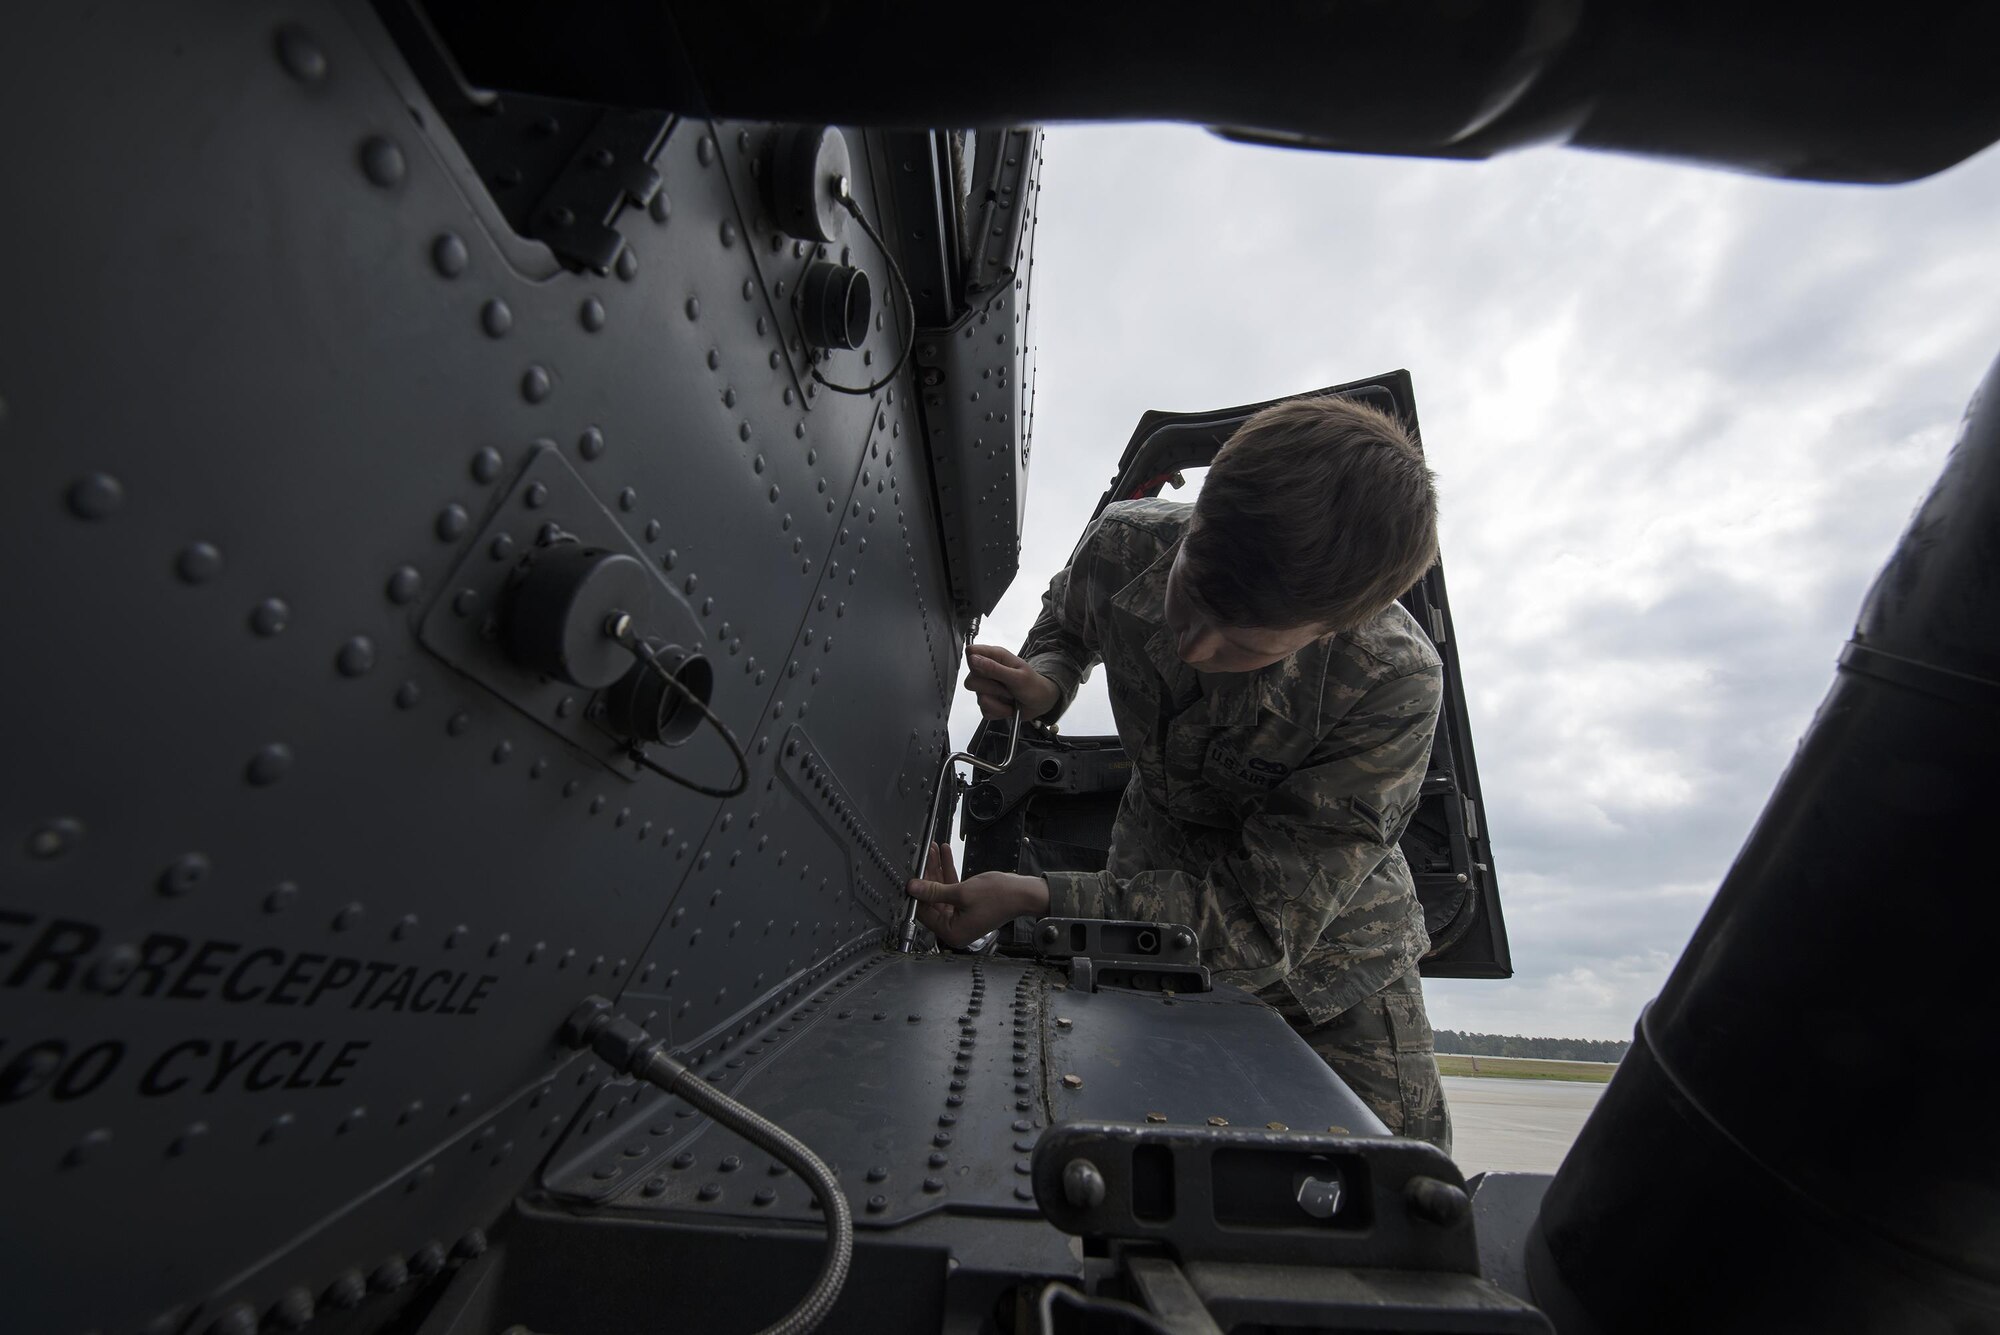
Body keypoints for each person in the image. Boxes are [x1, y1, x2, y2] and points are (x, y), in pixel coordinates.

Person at [905, 393, 1452, 1153]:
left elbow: (1259, 927)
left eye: (1243, 644)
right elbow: (1070, 616)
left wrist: (1038, 895)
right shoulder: (1125, 544)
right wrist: (1049, 680)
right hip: (1148, 884)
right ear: (1196, 521)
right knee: (1139, 1152)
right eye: (1191, 592)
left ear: (1329, 627)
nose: (1195, 645)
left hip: (1330, 972)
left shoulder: (1390, 683)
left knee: (1392, 1193)